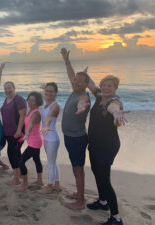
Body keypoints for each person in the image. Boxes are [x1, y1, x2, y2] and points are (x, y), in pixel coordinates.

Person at [86, 75, 129, 225]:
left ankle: (116, 217)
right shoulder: (99, 96)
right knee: (96, 173)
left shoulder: (113, 101)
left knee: (104, 179)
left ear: (115, 88)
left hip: (107, 146)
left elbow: (113, 108)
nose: (106, 88)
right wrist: (85, 74)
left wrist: (116, 113)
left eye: (110, 86)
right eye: (103, 85)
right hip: (94, 144)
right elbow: (90, 85)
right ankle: (103, 202)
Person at [60, 47, 92, 210]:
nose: (75, 82)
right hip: (69, 136)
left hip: (77, 139)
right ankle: (80, 194)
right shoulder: (75, 89)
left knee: (78, 169)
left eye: (79, 81)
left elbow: (83, 101)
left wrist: (82, 106)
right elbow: (71, 75)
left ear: (86, 84)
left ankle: (80, 201)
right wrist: (67, 61)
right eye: (75, 80)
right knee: (75, 167)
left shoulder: (83, 95)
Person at [16, 92, 43, 192]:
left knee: (21, 161)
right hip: (33, 140)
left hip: (34, 142)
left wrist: (26, 134)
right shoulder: (31, 110)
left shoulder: (36, 113)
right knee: (36, 159)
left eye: (33, 100)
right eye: (29, 99)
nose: (30, 102)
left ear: (37, 102)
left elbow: (31, 125)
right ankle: (40, 180)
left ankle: (25, 183)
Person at [0, 81, 27, 185]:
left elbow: (23, 115)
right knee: (16, 152)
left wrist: (19, 130)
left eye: (9, 87)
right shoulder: (6, 99)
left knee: (11, 153)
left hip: (16, 131)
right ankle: (19, 172)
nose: (7, 90)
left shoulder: (19, 99)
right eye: (5, 88)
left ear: (14, 87)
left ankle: (16, 178)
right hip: (7, 131)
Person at [38, 82, 61, 194]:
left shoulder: (55, 105)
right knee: (53, 161)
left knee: (50, 163)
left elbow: (49, 116)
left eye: (51, 91)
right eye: (47, 91)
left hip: (52, 138)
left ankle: (50, 186)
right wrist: (45, 89)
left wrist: (46, 125)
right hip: (47, 138)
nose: (48, 93)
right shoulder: (47, 102)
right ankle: (57, 184)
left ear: (56, 93)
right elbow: (46, 96)